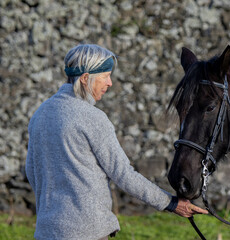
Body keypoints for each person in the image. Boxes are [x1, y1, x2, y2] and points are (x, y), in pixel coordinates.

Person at [25, 44, 208, 240]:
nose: (110, 83)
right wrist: (170, 203)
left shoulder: (40, 114)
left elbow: (31, 171)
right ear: (86, 78)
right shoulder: (92, 118)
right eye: (105, 76)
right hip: (88, 232)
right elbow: (123, 175)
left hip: (47, 231)